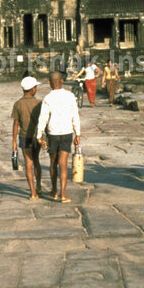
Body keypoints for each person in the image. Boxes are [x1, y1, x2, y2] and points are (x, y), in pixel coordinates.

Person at [36, 71, 82, 203]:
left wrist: (39, 135)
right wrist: (77, 133)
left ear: (49, 82)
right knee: (63, 164)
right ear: (62, 81)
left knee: (53, 163)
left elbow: (43, 118)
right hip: (67, 132)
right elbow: (75, 116)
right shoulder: (70, 96)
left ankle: (54, 191)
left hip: (53, 133)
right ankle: (63, 194)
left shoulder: (47, 98)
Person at [11, 76, 43, 200]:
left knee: (28, 164)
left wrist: (14, 141)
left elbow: (16, 123)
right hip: (37, 136)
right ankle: (39, 185)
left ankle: (33, 193)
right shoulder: (39, 103)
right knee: (36, 161)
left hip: (25, 137)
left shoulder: (18, 104)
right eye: (36, 87)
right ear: (32, 89)